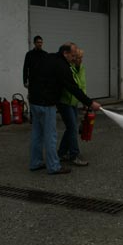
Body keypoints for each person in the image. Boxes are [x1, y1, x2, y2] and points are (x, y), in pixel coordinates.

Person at [28, 42, 101, 175]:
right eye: (72, 55)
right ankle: (54, 166)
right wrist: (90, 103)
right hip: (46, 104)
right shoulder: (62, 66)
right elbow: (72, 87)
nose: (74, 58)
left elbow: (32, 74)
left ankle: (35, 162)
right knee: (51, 136)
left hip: (34, 101)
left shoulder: (47, 58)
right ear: (65, 53)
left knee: (37, 134)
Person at [57, 47, 88, 166]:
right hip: (64, 101)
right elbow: (71, 87)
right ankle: (74, 155)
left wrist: (85, 102)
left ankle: (61, 153)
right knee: (73, 128)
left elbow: (83, 85)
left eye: (81, 58)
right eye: (78, 57)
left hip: (74, 102)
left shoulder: (81, 68)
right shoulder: (67, 68)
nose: (80, 60)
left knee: (71, 128)